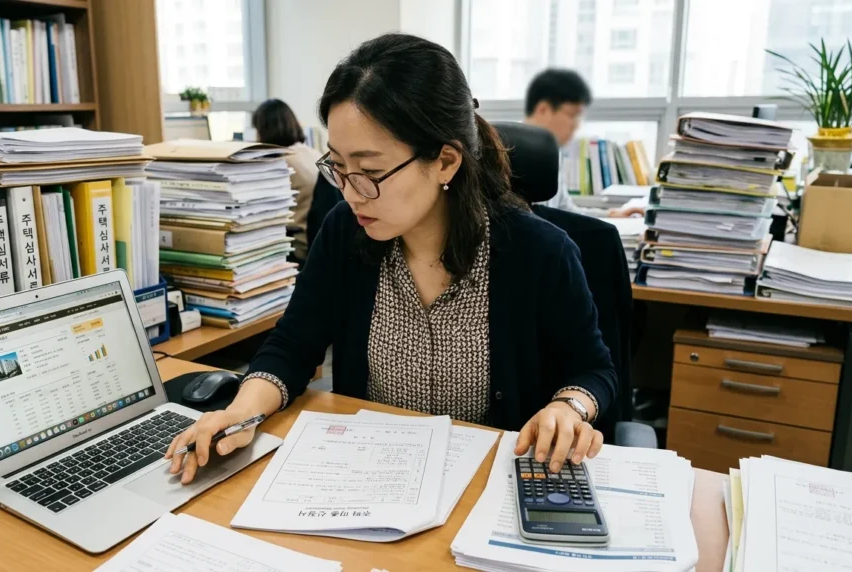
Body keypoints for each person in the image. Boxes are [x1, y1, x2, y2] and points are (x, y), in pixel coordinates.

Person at [166, 34, 617, 485]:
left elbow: (593, 369)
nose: (349, 191)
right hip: (371, 479)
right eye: (339, 166)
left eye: (372, 172)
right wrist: (240, 412)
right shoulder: (346, 232)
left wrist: (568, 407)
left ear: (445, 162)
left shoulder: (540, 252)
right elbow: (292, 347)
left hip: (487, 483)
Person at [524, 69, 644, 218]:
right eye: (572, 115)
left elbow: (565, 210)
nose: (576, 125)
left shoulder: (552, 154)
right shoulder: (508, 153)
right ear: (543, 109)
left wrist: (611, 215)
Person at [252, 98, 323, 262]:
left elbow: (258, 212)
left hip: (297, 246)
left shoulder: (281, 164)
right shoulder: (312, 153)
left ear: (264, 131)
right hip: (315, 242)